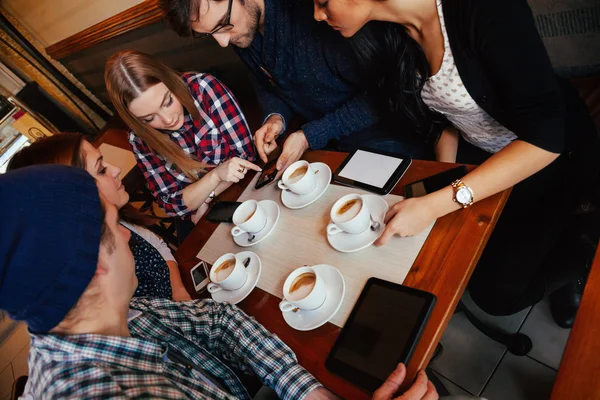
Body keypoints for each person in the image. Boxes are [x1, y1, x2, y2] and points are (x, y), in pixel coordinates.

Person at [0, 164, 440, 400]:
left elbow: (213, 317)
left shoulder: (98, 313)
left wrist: (306, 390)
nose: (128, 234)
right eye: (115, 224)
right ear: (94, 262)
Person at [312, 0, 599, 322]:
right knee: (455, 253)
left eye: (322, 2)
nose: (316, 15)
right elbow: (441, 120)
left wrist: (439, 203)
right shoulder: (387, 36)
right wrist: (447, 178)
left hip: (550, 159)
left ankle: (579, 250)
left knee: (496, 296)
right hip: (481, 152)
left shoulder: (484, 11)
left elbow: (547, 140)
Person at [159, 0, 433, 178]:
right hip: (329, 144)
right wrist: (275, 119)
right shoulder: (243, 31)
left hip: (386, 132)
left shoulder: (320, 13)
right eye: (210, 35)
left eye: (223, 26)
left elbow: (383, 96)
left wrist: (309, 135)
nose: (221, 42)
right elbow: (266, 84)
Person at [7, 133, 191, 301]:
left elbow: (157, 245)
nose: (117, 169)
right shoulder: (96, 282)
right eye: (101, 170)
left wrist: (178, 291)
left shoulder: (113, 221)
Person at [104, 50, 260, 223]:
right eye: (149, 118)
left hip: (245, 190)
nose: (168, 119)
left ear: (171, 82)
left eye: (168, 102)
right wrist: (216, 176)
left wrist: (205, 197)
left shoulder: (203, 89)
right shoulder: (139, 139)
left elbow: (246, 156)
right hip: (209, 217)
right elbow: (171, 204)